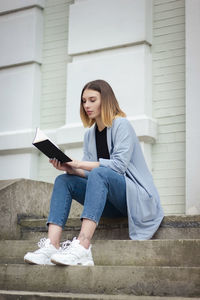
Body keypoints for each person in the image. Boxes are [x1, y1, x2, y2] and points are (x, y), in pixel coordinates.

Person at [24, 79, 164, 266]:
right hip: (106, 202)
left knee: (100, 173)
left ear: (105, 100)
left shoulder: (121, 124)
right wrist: (71, 169)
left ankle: (83, 246)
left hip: (133, 198)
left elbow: (118, 166)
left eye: (92, 100)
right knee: (63, 180)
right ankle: (52, 245)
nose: (87, 105)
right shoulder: (89, 134)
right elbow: (93, 177)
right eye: (84, 101)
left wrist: (79, 162)